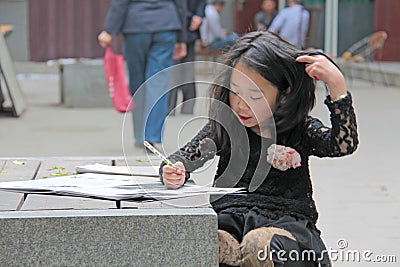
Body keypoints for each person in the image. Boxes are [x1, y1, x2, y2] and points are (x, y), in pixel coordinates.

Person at [160, 31, 358, 266]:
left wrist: (337, 86)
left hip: (285, 230)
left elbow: (341, 145)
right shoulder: (226, 127)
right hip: (229, 221)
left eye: (255, 96)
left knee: (260, 245)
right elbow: (184, 157)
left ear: (284, 94)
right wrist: (175, 170)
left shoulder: (299, 128)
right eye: (235, 92)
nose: (241, 105)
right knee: (208, 242)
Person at [98, 0, 187, 147]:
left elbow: (120, 3)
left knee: (137, 81)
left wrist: (109, 30)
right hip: (166, 24)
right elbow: (181, 5)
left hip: (136, 25)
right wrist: (182, 38)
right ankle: (151, 136)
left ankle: (140, 135)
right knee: (159, 82)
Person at [168, 0, 207, 116]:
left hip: (187, 25)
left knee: (184, 68)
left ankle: (182, 107)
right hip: (172, 23)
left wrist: (198, 15)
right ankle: (173, 107)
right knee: (176, 67)